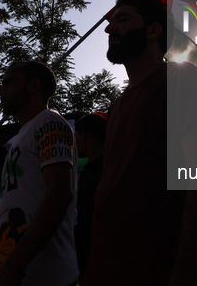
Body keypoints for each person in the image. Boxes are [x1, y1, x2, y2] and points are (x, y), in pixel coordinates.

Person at [83, 0, 197, 285]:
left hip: (159, 268)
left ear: (154, 30)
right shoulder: (117, 106)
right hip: (107, 268)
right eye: (110, 22)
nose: (109, 28)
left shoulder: (180, 78)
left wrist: (189, 263)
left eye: (122, 19)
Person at [0, 60, 78, 285]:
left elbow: (59, 194)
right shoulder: (18, 138)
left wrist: (14, 266)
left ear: (34, 86)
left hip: (43, 275)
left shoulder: (49, 122)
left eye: (7, 83)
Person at [73, 113, 107, 283]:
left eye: (76, 137)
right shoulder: (89, 171)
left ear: (84, 135)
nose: (74, 143)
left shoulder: (106, 171)